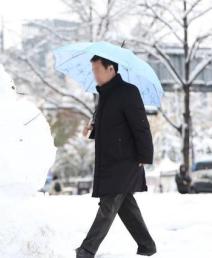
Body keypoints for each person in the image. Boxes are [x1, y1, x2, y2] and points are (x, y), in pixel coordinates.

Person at [76, 55, 157, 258]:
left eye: (97, 69)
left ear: (111, 69)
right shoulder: (104, 95)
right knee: (125, 205)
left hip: (126, 160)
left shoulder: (128, 92)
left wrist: (145, 155)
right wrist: (93, 129)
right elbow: (111, 126)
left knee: (108, 205)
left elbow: (140, 126)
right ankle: (147, 246)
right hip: (110, 160)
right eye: (93, 70)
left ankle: (87, 250)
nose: (94, 74)